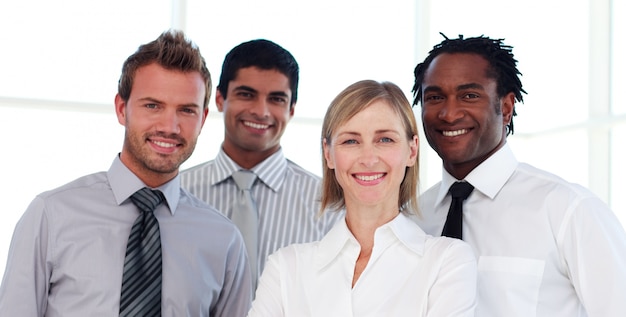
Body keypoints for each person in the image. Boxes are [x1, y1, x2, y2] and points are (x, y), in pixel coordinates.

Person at [0, 30, 252, 316]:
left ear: (203, 118)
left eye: (186, 110)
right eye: (153, 105)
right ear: (122, 109)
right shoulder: (51, 216)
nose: (170, 126)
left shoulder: (224, 240)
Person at [412, 34, 626, 317]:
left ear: (506, 106)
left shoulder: (567, 210)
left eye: (469, 95)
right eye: (436, 97)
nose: (449, 114)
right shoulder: (413, 220)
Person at [248, 80, 477, 316]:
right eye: (351, 141)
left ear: (412, 150)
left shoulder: (447, 261)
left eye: (385, 139)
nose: (368, 159)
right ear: (328, 154)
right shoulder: (286, 267)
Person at [181, 39, 342, 287]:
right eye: (247, 95)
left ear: (291, 110)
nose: (261, 111)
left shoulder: (329, 205)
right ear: (220, 99)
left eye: (277, 99)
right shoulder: (177, 192)